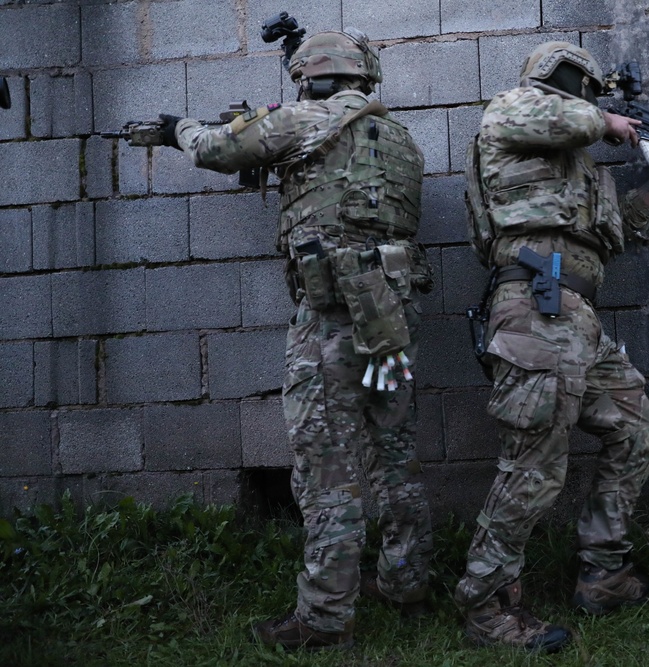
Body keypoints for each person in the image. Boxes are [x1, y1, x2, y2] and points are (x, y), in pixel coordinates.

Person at [158, 29, 433, 650]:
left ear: (312, 75)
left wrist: (180, 127)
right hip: (391, 329)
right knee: (394, 451)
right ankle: (406, 583)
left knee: (325, 465)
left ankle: (325, 619)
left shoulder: (308, 118)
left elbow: (217, 148)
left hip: (332, 324)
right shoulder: (399, 139)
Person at [457, 41, 649, 652]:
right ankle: (485, 609)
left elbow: (620, 232)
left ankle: (603, 573)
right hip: (534, 306)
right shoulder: (512, 112)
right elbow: (549, 118)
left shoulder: (577, 168)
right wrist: (610, 122)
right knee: (534, 466)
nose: (598, 109)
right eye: (591, 97)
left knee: (637, 428)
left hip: (576, 317)